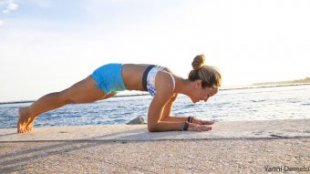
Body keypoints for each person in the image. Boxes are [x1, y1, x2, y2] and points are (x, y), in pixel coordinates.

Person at [17, 54, 222, 133]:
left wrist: (192, 119)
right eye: (208, 94)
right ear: (198, 84)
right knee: (66, 96)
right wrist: (188, 127)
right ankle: (27, 111)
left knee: (68, 98)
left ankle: (32, 113)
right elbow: (152, 126)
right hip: (108, 79)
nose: (206, 99)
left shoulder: (172, 89)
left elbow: (164, 118)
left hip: (114, 82)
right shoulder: (168, 84)